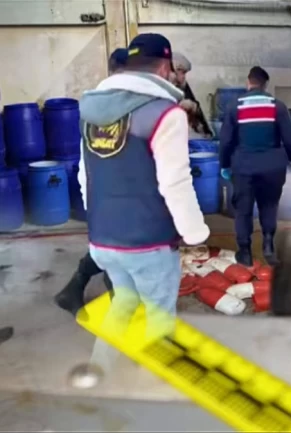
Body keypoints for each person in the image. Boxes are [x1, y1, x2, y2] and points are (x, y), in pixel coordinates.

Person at [78, 33, 209, 368]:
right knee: (159, 316)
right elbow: (175, 182)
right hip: (148, 242)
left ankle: (99, 367)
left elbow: (84, 177)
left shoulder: (90, 112)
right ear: (164, 68)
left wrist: (101, 221)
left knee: (123, 302)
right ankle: (156, 382)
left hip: (103, 239)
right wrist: (195, 232)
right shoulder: (165, 114)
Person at [53, 47, 130, 316]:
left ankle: (72, 291)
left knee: (109, 248)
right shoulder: (115, 105)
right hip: (110, 192)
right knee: (117, 252)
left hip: (104, 191)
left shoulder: (98, 102)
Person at [219, 66, 291, 266]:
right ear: (265, 85)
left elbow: (226, 141)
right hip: (273, 168)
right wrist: (290, 157)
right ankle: (268, 246)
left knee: (243, 210)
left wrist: (225, 165)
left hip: (243, 167)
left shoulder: (235, 107)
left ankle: (245, 253)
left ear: (249, 82)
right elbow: (290, 140)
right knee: (269, 205)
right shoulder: (278, 106)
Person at [171, 52, 213, 137]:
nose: (184, 77)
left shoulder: (182, 86)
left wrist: (194, 107)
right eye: (183, 72)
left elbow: (197, 112)